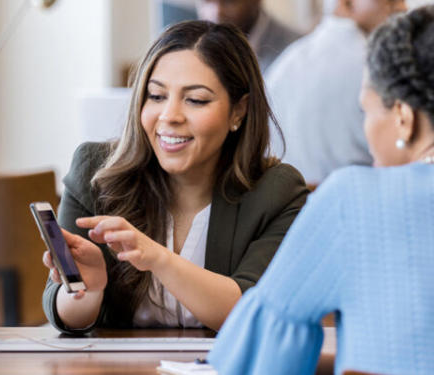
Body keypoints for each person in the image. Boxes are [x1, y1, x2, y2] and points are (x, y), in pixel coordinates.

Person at [208, 3, 434, 374]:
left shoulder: (351, 200)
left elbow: (255, 356)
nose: (366, 133)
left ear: (404, 117)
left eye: (367, 111)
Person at [41, 20, 309, 333]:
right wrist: (88, 288)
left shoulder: (278, 191)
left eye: (196, 100)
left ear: (239, 110)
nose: (170, 116)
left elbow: (252, 310)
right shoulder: (94, 172)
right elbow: (64, 314)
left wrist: (158, 258)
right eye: (156, 96)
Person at [266, 0, 406, 184]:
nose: (402, 8)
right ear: (345, 3)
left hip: (289, 206)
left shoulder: (283, 65)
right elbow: (404, 158)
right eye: (390, 1)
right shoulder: (374, 67)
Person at [196, 0, 301, 73]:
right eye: (207, 1)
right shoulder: (194, 47)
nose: (217, 13)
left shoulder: (295, 51)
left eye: (229, 1)